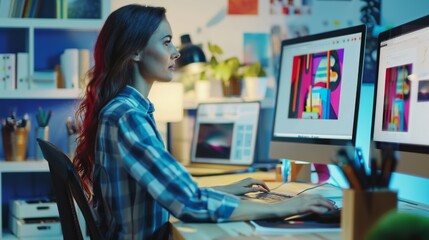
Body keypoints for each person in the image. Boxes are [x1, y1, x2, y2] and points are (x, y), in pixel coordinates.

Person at [73, 4, 334, 239]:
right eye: (166, 42)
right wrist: (286, 206)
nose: (176, 52)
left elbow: (168, 189)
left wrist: (225, 189)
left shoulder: (123, 109)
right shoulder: (128, 116)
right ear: (136, 52)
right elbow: (189, 204)